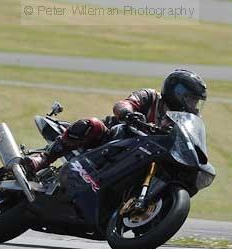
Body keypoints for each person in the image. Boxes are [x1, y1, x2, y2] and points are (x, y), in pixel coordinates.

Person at [23, 69, 207, 177]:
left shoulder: (183, 120)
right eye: (191, 99)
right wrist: (129, 115)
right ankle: (44, 158)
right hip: (111, 138)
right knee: (92, 124)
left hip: (141, 157)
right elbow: (123, 104)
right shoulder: (151, 97)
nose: (194, 105)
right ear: (177, 94)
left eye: (197, 101)